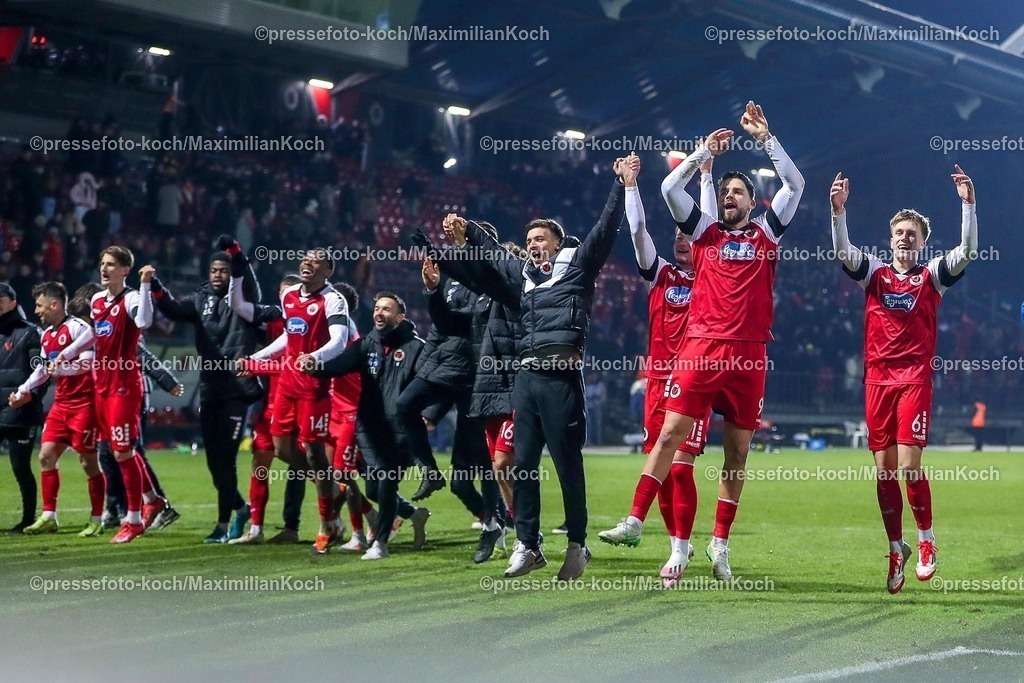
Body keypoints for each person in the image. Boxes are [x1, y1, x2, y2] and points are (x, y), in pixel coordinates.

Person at [599, 102, 805, 583]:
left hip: (750, 352)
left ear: (752, 202)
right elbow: (670, 188)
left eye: (738, 192)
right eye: (725, 191)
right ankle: (635, 520)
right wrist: (701, 155)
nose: (730, 196)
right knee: (670, 434)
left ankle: (719, 544)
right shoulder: (705, 233)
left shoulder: (766, 233)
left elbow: (795, 185)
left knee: (737, 453)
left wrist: (766, 139)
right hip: (703, 347)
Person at [431, 154, 633, 580]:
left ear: (557, 244)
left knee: (567, 465)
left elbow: (606, 228)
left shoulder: (578, 266)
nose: (534, 243)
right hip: (527, 379)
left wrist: (620, 183)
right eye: (529, 239)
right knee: (521, 465)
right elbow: (491, 254)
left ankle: (576, 544)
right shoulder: (523, 275)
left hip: (561, 378)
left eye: (541, 238)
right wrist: (467, 231)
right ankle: (528, 544)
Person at [829, 164, 976, 593]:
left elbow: (968, 251)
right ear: (890, 239)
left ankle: (926, 539)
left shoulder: (932, 276)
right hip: (877, 381)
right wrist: (837, 212)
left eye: (912, 234)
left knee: (909, 467)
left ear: (923, 242)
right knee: (884, 473)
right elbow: (843, 252)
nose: (905, 238)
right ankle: (897, 548)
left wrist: (968, 205)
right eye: (899, 233)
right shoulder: (874, 273)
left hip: (913, 379)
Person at [597, 155, 715, 587]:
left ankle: (678, 552)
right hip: (657, 383)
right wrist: (630, 186)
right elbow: (638, 231)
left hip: (695, 380)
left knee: (680, 468)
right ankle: (675, 546)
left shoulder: (711, 278)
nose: (683, 240)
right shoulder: (660, 274)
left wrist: (705, 175)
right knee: (661, 470)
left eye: (689, 234)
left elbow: (709, 224)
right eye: (678, 235)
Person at [149, 237, 264, 542]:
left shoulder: (244, 298)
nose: (217, 275)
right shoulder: (201, 300)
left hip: (238, 388)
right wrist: (156, 286)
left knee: (226, 460)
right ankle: (241, 508)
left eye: (223, 270)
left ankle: (223, 526)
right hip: (210, 387)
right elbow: (173, 309)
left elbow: (246, 277)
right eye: (214, 270)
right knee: (214, 463)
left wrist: (236, 252)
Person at [241, 248, 351, 554]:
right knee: (282, 449)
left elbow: (339, 340)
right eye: (305, 258)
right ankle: (331, 489)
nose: (308, 263)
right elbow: (289, 336)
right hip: (287, 386)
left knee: (315, 455)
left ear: (328, 271)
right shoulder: (289, 295)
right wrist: (256, 358)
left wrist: (315, 357)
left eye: (316, 261)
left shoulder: (333, 300)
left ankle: (327, 524)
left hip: (314, 387)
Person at [309, 292, 431, 560]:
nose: (379, 313)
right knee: (374, 489)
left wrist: (429, 414)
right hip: (369, 429)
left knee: (386, 483)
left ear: (400, 317)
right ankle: (412, 514)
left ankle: (380, 543)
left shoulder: (417, 348)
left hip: (401, 430)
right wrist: (315, 366)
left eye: (386, 309)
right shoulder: (365, 345)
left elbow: (432, 383)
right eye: (377, 308)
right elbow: (340, 365)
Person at [11, 282, 103, 536]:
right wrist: (22, 390)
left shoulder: (78, 328)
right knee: (46, 456)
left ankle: (97, 519)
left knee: (88, 462)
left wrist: (62, 369)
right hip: (61, 405)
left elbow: (87, 363)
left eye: (39, 305)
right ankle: (49, 516)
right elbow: (43, 369)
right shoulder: (47, 334)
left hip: (85, 405)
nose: (36, 311)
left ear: (54, 304)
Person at [226, 271, 308, 545]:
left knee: (304, 469)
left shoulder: (309, 328)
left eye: (289, 293)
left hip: (299, 407)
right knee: (260, 466)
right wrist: (238, 266)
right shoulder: (274, 324)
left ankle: (306, 525)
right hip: (270, 408)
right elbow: (239, 306)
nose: (284, 299)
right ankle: (256, 529)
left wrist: (254, 366)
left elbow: (291, 369)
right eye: (281, 294)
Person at [89, 246, 154, 543]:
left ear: (125, 270)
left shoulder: (131, 298)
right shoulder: (96, 300)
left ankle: (134, 520)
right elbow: (96, 339)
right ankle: (152, 499)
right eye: (102, 263)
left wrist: (145, 285)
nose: (104, 269)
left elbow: (143, 322)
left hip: (123, 384)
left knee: (122, 452)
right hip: (102, 384)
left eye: (111, 264)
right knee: (118, 450)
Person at [0, 283, 44, 535]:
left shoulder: (30, 333)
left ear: (13, 303)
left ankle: (28, 518)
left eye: (0, 299)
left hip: (21, 411)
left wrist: (30, 396)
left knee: (20, 466)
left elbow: (42, 372)